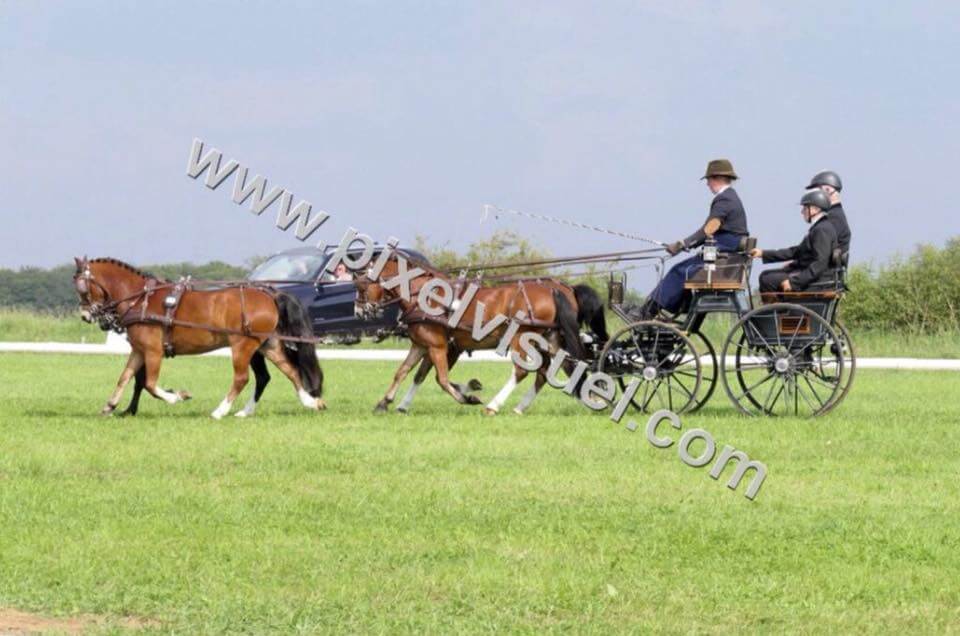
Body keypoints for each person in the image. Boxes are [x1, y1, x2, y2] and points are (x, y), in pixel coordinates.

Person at [631, 158, 750, 319]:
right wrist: (686, 245)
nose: (707, 184)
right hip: (725, 256)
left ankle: (647, 312)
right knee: (683, 269)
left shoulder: (724, 199)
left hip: (722, 258)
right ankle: (679, 306)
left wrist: (682, 244)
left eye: (708, 180)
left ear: (717, 178)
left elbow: (708, 229)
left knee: (678, 271)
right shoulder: (731, 197)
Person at [751, 189, 838, 292]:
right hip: (814, 276)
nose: (802, 212)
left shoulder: (822, 229)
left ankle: (781, 303)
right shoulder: (820, 227)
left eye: (805, 208)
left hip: (820, 282)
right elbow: (796, 252)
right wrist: (762, 253)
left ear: (815, 209)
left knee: (767, 279)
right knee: (766, 275)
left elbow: (819, 264)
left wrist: (794, 282)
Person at [807, 170, 851, 256]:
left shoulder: (833, 217)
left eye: (816, 192)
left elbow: (819, 251)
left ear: (828, 190)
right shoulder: (835, 214)